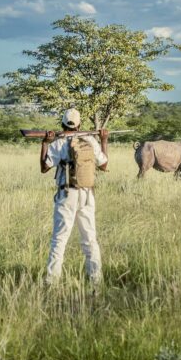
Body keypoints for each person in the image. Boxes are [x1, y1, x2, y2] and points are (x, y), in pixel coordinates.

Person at [40, 108, 109, 286]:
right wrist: (104, 140)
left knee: (59, 240)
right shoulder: (90, 140)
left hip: (66, 194)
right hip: (87, 194)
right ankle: (96, 280)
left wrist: (45, 143)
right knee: (90, 239)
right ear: (79, 125)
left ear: (62, 124)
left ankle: (51, 281)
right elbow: (104, 164)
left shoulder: (58, 143)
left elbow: (44, 167)